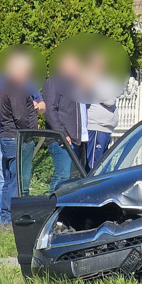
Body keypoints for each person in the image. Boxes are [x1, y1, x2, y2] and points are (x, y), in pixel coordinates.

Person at [0, 49, 44, 229]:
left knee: (11, 178)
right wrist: (6, 103)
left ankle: (7, 218)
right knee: (5, 179)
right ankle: (4, 219)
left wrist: (35, 107)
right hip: (2, 134)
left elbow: (42, 104)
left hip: (12, 135)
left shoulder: (26, 84)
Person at [0, 50, 39, 231]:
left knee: (9, 181)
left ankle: (6, 219)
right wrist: (30, 131)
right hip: (17, 138)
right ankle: (12, 221)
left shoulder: (8, 85)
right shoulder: (15, 88)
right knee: (17, 181)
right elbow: (20, 116)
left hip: (9, 137)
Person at [43, 52, 85, 191]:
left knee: (71, 180)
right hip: (61, 139)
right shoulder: (55, 82)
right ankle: (50, 209)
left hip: (74, 139)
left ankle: (63, 209)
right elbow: (49, 110)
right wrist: (62, 133)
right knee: (62, 176)